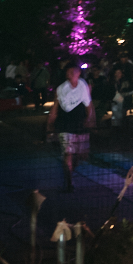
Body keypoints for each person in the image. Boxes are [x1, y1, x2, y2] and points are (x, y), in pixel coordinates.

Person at [45, 64, 94, 192]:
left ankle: (71, 172)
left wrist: (89, 119)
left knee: (79, 155)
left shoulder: (83, 86)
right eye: (68, 72)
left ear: (78, 73)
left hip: (80, 125)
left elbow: (88, 104)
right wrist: (50, 124)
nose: (70, 75)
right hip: (65, 125)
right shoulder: (61, 89)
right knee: (67, 153)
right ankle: (69, 182)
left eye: (73, 72)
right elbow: (55, 106)